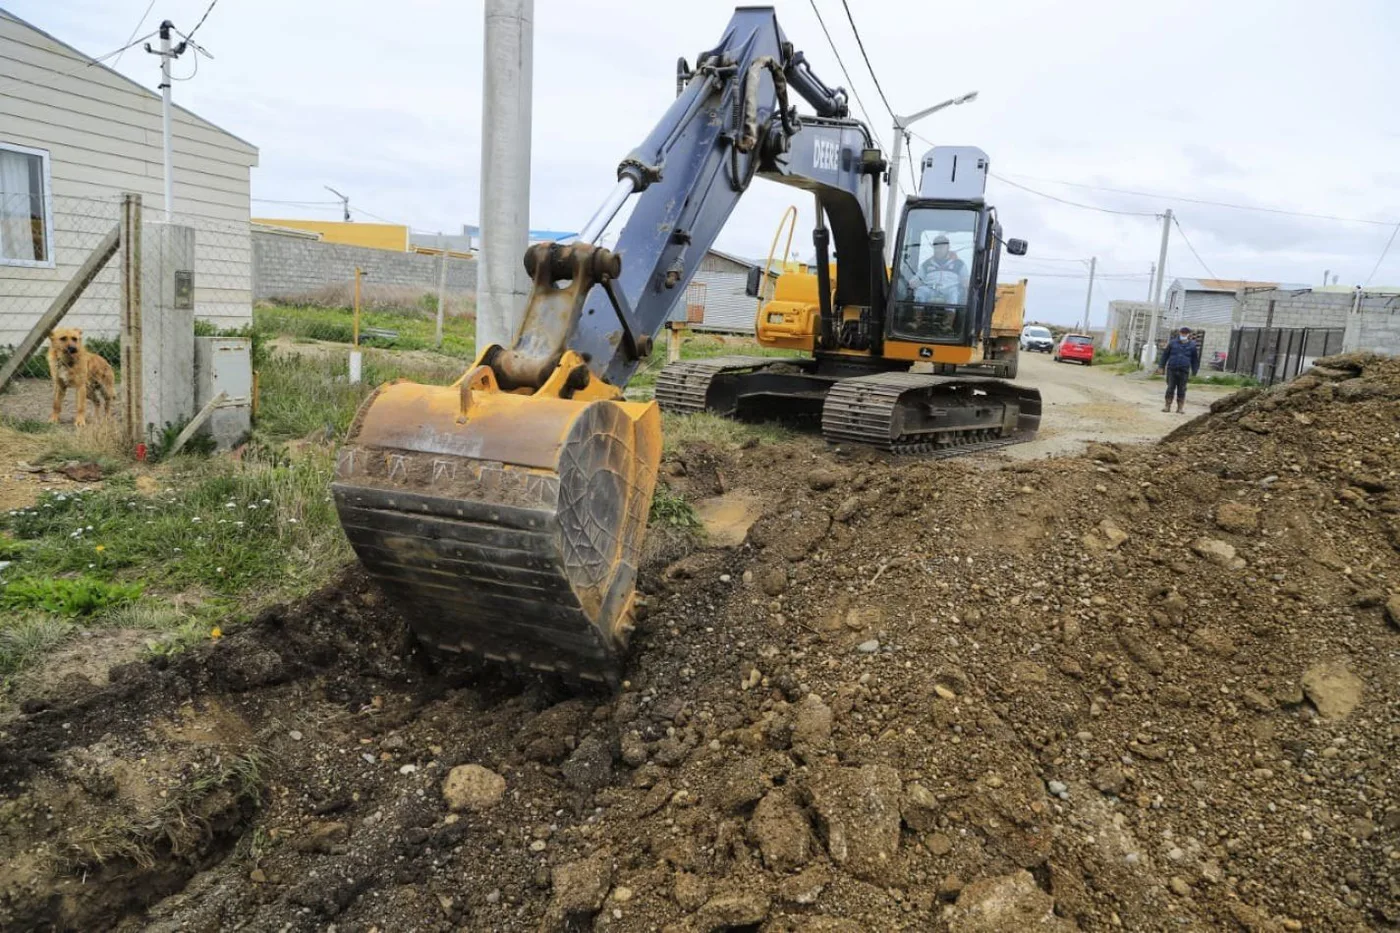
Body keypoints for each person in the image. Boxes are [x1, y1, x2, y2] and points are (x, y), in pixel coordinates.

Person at [913, 235, 969, 305]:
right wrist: (914, 281)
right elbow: (918, 277)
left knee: (954, 293)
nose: (938, 250)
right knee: (920, 291)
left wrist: (965, 282)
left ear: (948, 248)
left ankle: (950, 315)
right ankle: (917, 315)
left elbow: (966, 279)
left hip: (950, 289)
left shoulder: (959, 264)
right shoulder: (926, 264)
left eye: (941, 247)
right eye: (936, 247)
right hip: (931, 289)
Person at [1157, 326, 1201, 413]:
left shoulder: (1192, 345)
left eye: (1185, 333)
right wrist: (1161, 366)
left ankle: (1180, 408)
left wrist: (1194, 371)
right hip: (1172, 369)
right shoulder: (1172, 343)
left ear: (1188, 334)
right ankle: (1167, 406)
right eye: (1182, 333)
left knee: (1182, 389)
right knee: (1170, 388)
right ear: (1179, 333)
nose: (1183, 335)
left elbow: (1195, 359)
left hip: (1184, 370)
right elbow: (1165, 356)